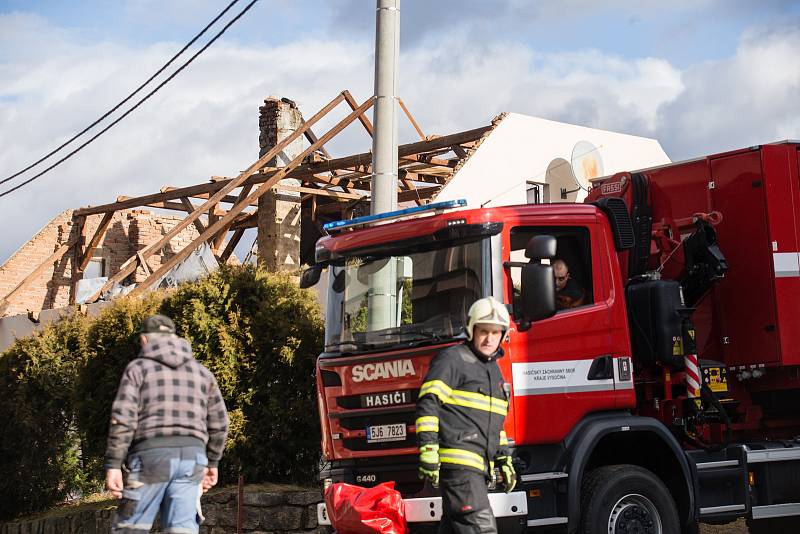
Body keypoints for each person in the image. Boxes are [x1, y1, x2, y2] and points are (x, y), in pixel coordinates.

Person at [105, 314, 229, 534]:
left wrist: (114, 464)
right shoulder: (202, 373)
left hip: (151, 458)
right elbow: (220, 423)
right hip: (192, 460)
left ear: (144, 340)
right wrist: (212, 463)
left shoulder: (138, 369)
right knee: (182, 530)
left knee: (130, 528)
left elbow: (123, 419)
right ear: (174, 338)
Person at [415, 296, 516, 534]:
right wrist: (428, 449)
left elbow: (494, 422)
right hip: (460, 467)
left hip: (478, 468)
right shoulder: (453, 359)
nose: (489, 338)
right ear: (472, 329)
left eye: (495, 332)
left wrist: (504, 458)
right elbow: (428, 403)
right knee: (481, 528)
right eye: (483, 331)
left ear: (503, 334)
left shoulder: (493, 370)